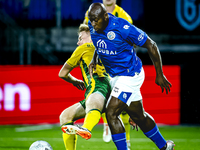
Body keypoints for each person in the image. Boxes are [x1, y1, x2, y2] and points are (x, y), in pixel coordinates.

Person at [87, 3, 175, 150]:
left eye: (96, 20)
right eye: (91, 20)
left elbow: (151, 45)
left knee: (111, 113)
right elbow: (99, 44)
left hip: (130, 74)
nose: (93, 23)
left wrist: (159, 74)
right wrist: (94, 58)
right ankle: (165, 146)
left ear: (105, 16)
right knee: (139, 116)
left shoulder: (123, 27)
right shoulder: (92, 25)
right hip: (115, 77)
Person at [84, 0, 133, 147]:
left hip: (118, 62)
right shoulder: (91, 12)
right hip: (101, 57)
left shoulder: (124, 16)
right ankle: (107, 124)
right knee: (105, 92)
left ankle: (127, 141)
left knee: (124, 106)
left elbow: (130, 40)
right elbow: (86, 31)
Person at [59, 23, 111, 150]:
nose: (78, 42)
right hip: (109, 87)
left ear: (90, 37)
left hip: (98, 85)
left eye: (80, 38)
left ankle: (86, 128)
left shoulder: (85, 47)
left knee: (93, 101)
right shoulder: (106, 47)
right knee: (65, 116)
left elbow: (62, 73)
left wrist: (75, 81)